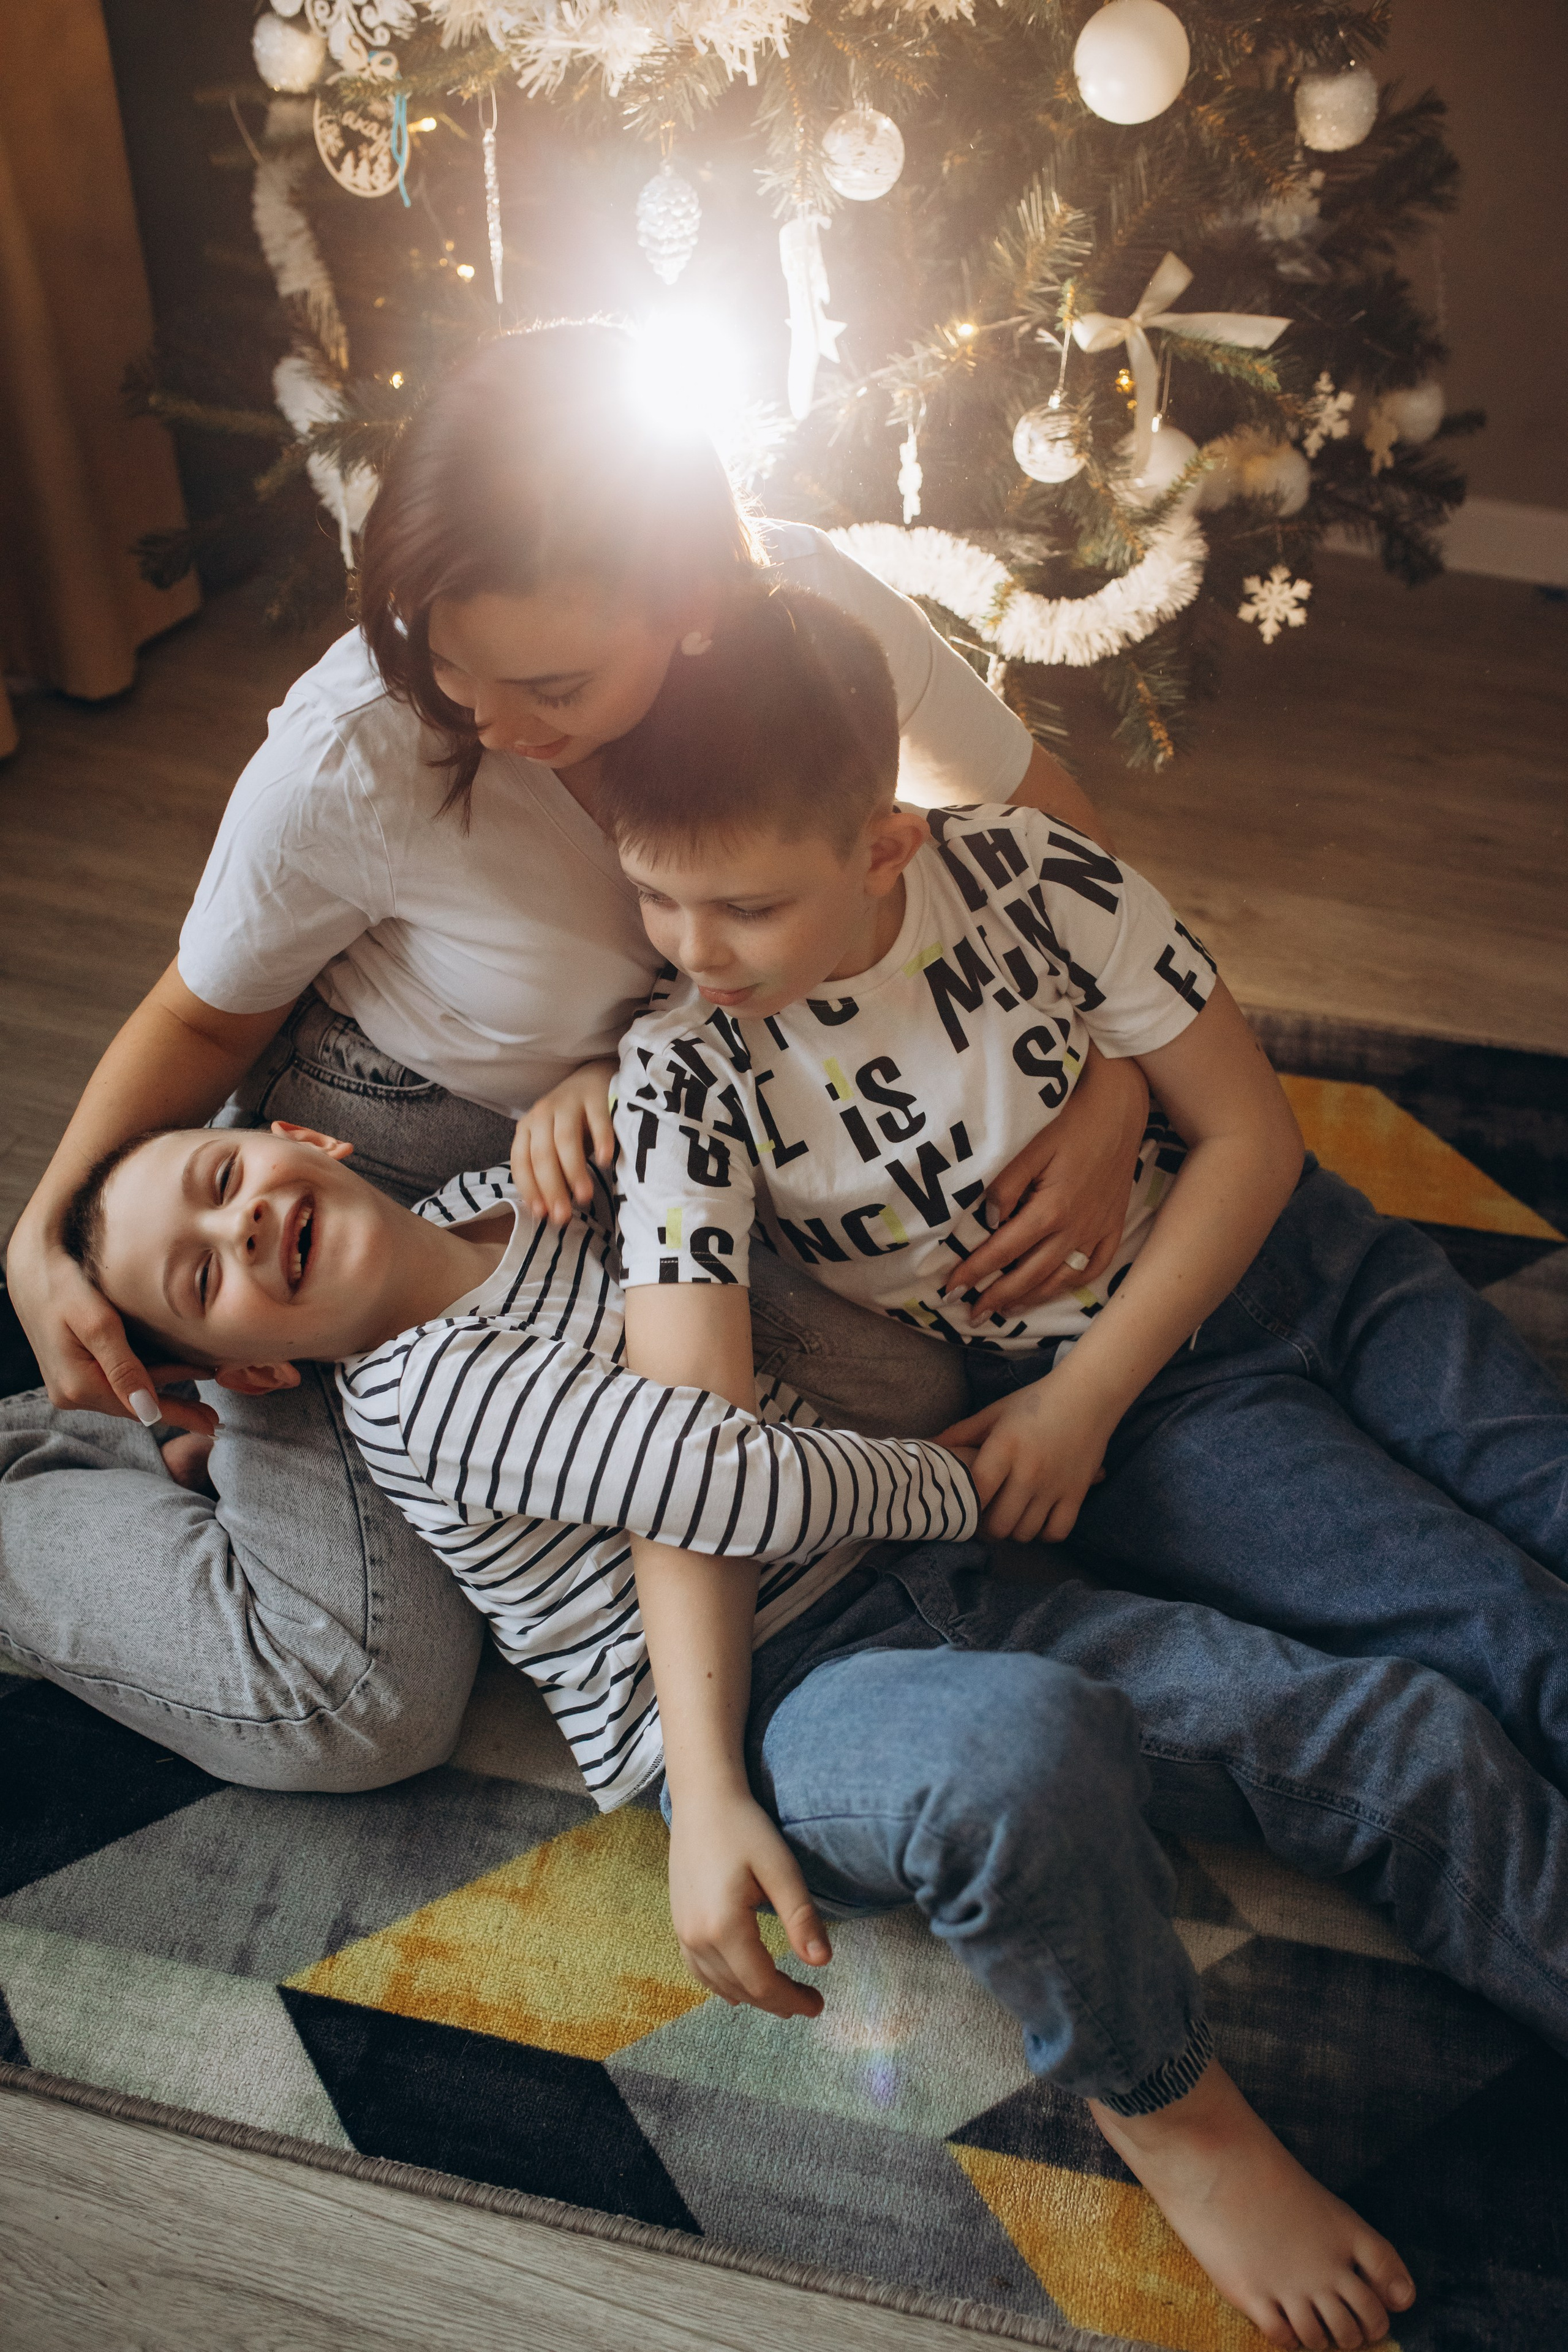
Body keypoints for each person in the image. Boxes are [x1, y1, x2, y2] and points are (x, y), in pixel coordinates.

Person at [61, 1120, 1568, 2350]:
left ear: (296, 1137)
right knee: (1014, 1765)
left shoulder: (508, 1189)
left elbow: (679, 1113)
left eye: (222, 1181)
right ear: (261, 1371)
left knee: (1398, 1732)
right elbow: (728, 1485)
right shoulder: (424, 1395)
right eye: (205, 1276)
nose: (244, 1226)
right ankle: (1172, 2116)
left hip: (940, 1595)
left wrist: (600, 1081)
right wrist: (957, 1479)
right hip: (780, 1703)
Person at [0, 320, 1150, 1786]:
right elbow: (202, 1017)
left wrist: (1113, 1087)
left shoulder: (805, 625)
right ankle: (83, 1464)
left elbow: (1054, 843)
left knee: (919, 1376)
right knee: (360, 1698)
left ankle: (178, 1440)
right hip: (387, 1149)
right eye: (445, 659)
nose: (487, 721)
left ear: (688, 602)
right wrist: (44, 1231)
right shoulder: (359, 749)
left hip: (666, 1103)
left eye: (545, 685)